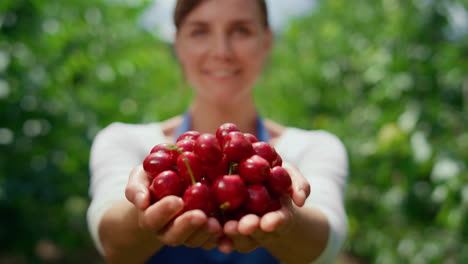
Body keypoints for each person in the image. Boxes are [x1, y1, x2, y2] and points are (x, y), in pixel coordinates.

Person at [86, 0, 349, 263]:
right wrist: (146, 209)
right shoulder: (125, 142)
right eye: (200, 31)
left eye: (241, 30)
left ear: (266, 41)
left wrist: (291, 218)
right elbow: (111, 243)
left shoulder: (313, 148)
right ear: (178, 44)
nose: (221, 51)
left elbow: (326, 243)